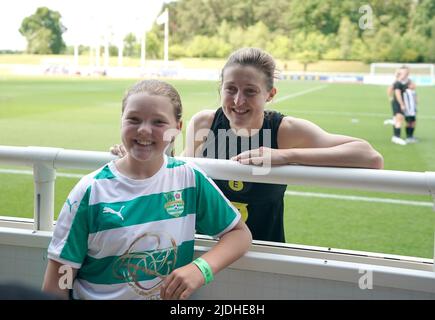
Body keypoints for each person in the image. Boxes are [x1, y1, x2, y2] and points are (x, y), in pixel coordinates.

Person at [111, 48, 383, 243]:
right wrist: (138, 157)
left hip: (264, 250)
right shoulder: (205, 123)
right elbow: (179, 177)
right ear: (221, 89)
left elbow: (369, 157)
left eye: (250, 91)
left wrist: (285, 156)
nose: (238, 101)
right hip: (205, 251)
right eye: (230, 89)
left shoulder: (283, 131)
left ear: (270, 94)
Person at [42, 79, 252, 300]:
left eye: (159, 122)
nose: (143, 130)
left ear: (177, 128)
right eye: (133, 119)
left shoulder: (189, 179)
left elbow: (239, 234)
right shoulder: (90, 191)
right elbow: (59, 280)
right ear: (121, 121)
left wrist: (201, 268)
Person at [389, 66, 414, 145]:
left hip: (400, 103)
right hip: (398, 103)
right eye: (404, 73)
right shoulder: (398, 83)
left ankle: (396, 137)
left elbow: (413, 87)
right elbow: (397, 94)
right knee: (399, 119)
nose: (406, 75)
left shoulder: (403, 82)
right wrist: (402, 104)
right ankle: (396, 137)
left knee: (398, 119)